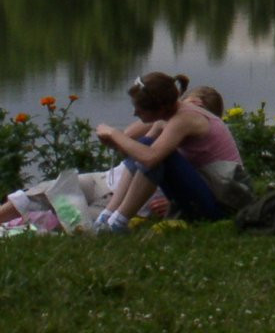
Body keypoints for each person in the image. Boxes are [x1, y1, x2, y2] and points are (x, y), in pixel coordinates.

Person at [0, 85, 228, 232]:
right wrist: (158, 119)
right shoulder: (169, 121)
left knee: (73, 217)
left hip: (131, 197)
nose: (191, 110)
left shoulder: (201, 139)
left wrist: (173, 207)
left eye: (199, 108)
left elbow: (195, 185)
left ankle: (18, 229)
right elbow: (128, 140)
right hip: (106, 179)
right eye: (188, 103)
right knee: (45, 190)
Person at [93, 72, 251, 232]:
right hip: (210, 194)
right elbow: (138, 154)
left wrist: (114, 134)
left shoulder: (184, 119)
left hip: (222, 206)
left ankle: (118, 222)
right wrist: (120, 140)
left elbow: (150, 158)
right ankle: (108, 215)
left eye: (139, 110)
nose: (135, 114)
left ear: (160, 108)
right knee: (145, 147)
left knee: (152, 153)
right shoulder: (172, 114)